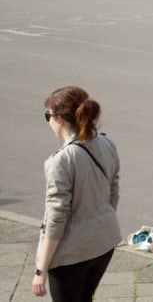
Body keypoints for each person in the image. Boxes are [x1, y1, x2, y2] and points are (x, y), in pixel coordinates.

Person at [34, 86, 121, 302]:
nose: (49, 122)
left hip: (71, 254)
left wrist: (40, 269)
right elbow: (113, 191)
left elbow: (56, 216)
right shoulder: (106, 143)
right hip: (103, 243)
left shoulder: (60, 161)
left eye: (48, 116)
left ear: (60, 120)